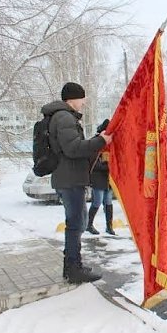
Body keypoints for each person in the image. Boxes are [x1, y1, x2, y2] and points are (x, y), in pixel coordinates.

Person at [44, 82, 112, 284]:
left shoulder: (63, 116)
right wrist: (101, 142)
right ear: (72, 98)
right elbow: (73, 148)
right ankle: (74, 268)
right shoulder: (64, 117)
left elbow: (72, 146)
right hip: (70, 178)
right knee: (76, 224)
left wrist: (96, 140)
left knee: (77, 222)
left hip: (69, 177)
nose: (84, 102)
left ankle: (73, 265)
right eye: (82, 98)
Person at [86, 120, 115, 235]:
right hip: (98, 177)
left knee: (108, 202)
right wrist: (108, 165)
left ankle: (109, 226)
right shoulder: (95, 142)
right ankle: (89, 225)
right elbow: (92, 163)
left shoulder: (112, 143)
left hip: (108, 178)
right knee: (97, 202)